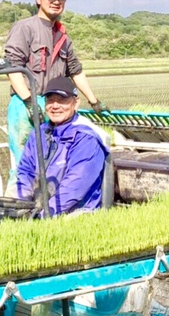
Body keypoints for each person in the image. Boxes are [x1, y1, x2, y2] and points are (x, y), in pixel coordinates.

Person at [4, 0, 102, 175]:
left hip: (52, 104)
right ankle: (21, 204)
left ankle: (50, 205)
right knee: (25, 165)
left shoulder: (63, 36)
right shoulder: (25, 27)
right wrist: (29, 102)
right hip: (25, 105)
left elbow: (75, 70)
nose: (56, 1)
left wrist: (94, 101)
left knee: (52, 165)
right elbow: (13, 67)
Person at [13, 76, 109, 216]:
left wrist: (45, 214)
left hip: (78, 213)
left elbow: (76, 185)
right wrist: (23, 205)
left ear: (75, 103)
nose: (55, 106)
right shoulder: (39, 133)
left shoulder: (85, 137)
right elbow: (26, 170)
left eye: (62, 100)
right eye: (50, 100)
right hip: (42, 208)